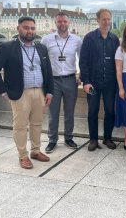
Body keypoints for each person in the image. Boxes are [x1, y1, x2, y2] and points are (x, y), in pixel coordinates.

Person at [0, 17, 54, 169]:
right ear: (18, 28)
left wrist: (49, 91)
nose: (30, 31)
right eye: (26, 28)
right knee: (20, 126)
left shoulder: (41, 48)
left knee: (37, 124)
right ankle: (23, 155)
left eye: (32, 28)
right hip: (20, 93)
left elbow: (48, 71)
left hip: (39, 92)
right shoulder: (7, 48)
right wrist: (3, 90)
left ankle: (36, 151)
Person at [41, 12, 82, 153]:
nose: (62, 24)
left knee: (69, 112)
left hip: (71, 79)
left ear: (69, 22)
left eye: (65, 21)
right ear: (55, 23)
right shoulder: (46, 40)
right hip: (53, 81)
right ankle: (52, 140)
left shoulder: (77, 40)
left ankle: (68, 138)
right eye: (59, 22)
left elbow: (82, 60)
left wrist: (80, 76)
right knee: (53, 112)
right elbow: (41, 61)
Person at [79, 9, 120, 151]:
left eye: (109, 19)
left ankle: (107, 138)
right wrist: (86, 81)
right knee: (92, 111)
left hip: (110, 81)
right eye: (104, 19)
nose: (107, 22)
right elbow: (83, 61)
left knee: (110, 111)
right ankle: (93, 139)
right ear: (97, 20)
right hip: (93, 82)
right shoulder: (89, 38)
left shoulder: (114, 39)